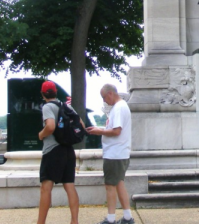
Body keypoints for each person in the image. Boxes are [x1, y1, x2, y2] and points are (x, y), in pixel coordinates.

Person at [87, 84, 133, 224]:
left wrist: (99, 131)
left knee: (110, 186)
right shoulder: (121, 106)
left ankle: (111, 219)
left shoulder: (118, 108)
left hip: (115, 154)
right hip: (120, 153)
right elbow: (115, 129)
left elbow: (116, 131)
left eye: (104, 97)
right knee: (119, 184)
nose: (104, 101)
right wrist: (100, 129)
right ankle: (127, 217)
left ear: (111, 93)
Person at [37, 81, 79, 224]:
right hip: (68, 150)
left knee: (46, 188)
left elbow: (50, 126)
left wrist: (41, 135)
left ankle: (40, 222)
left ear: (43, 94)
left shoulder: (47, 106)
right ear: (56, 92)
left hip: (53, 151)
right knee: (69, 186)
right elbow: (81, 124)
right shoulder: (66, 106)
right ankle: (74, 221)